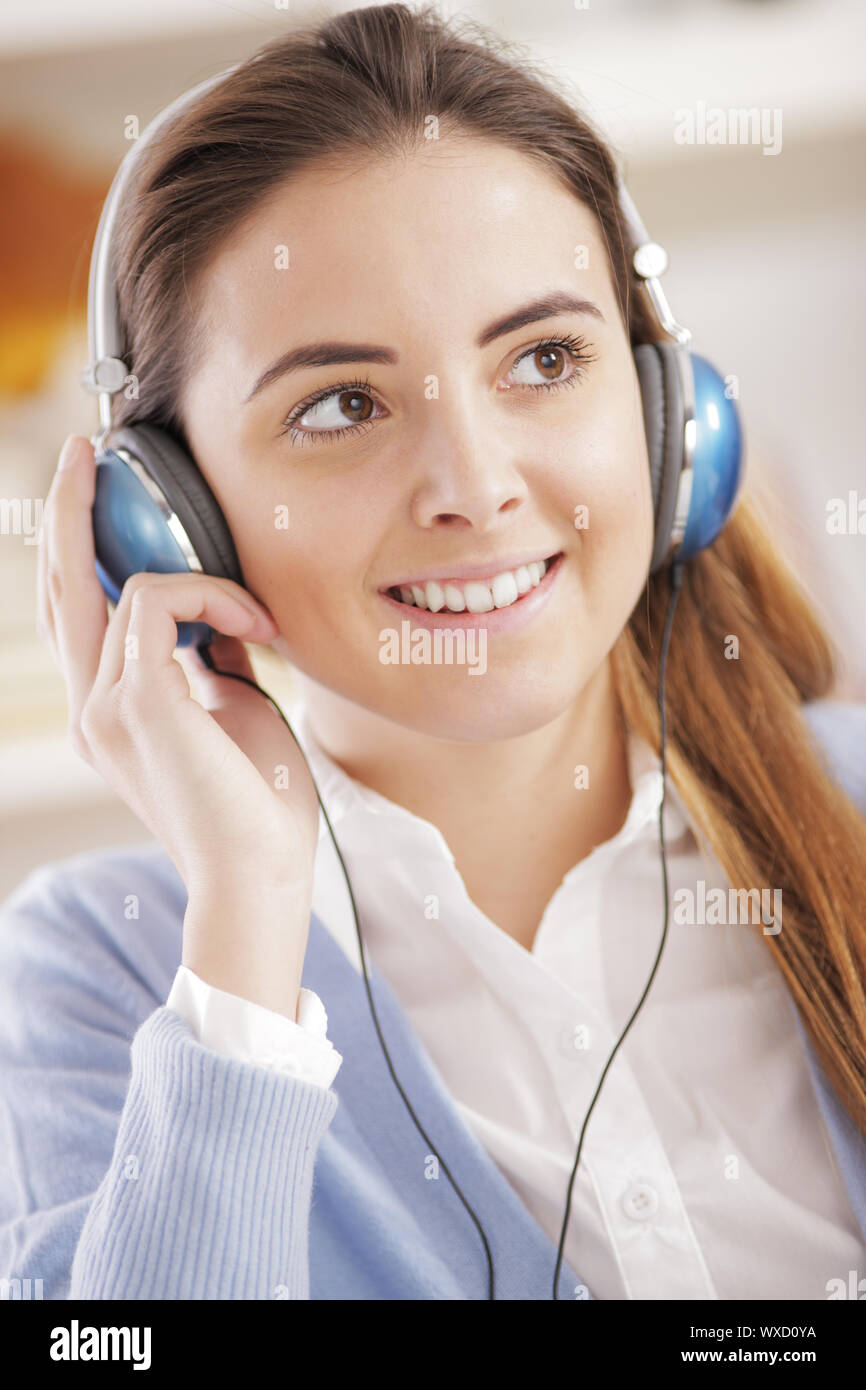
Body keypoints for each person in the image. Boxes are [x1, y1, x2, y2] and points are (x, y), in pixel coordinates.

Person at [2, 3, 865, 1302]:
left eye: (543, 357)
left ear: (662, 411)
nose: (473, 483)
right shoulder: (107, 967)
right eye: (341, 403)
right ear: (165, 510)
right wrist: (244, 921)